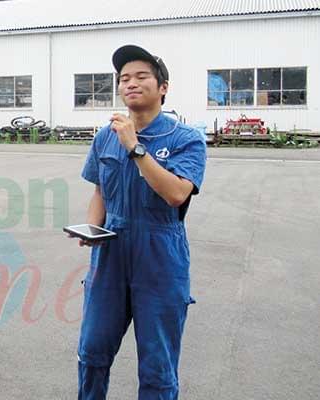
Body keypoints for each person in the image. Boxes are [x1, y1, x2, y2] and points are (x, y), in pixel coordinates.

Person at [75, 45, 207, 399]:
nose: (130, 83)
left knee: (157, 365)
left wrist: (135, 146)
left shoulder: (186, 139)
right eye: (124, 78)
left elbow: (177, 194)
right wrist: (93, 229)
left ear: (163, 87)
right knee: (92, 353)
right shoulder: (106, 136)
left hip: (160, 256)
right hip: (110, 255)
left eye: (141, 76)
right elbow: (101, 190)